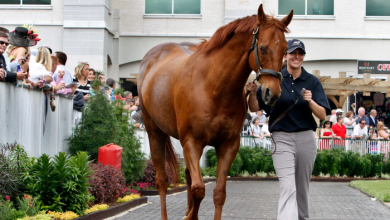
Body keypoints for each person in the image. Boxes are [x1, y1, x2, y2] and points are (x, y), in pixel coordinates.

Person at [247, 39, 330, 220]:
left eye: (300, 53)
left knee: (302, 187)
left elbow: (323, 115)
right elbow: (255, 108)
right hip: (282, 138)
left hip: (306, 139)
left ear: (303, 57)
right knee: (288, 186)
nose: (297, 56)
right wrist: (253, 93)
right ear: (285, 55)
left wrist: (310, 101)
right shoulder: (275, 79)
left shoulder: (312, 81)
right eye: (293, 53)